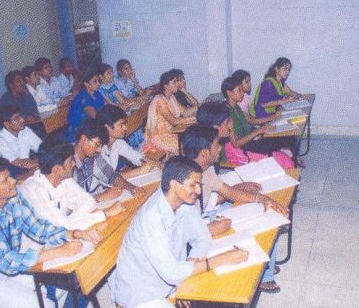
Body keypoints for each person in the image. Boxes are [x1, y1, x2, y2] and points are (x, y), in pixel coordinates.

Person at [111, 156, 248, 307]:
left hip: (170, 282)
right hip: (142, 295)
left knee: (227, 296)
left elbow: (202, 237)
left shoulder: (184, 203)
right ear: (174, 185)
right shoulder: (151, 218)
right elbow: (170, 272)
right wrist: (221, 259)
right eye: (193, 185)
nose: (198, 190)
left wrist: (186, 276)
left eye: (199, 185)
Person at [0, 156, 100, 308]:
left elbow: (38, 228)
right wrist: (58, 252)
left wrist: (74, 233)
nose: (13, 181)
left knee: (58, 287)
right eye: (5, 180)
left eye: (10, 176)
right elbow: (8, 262)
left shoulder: (12, 196)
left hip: (4, 266)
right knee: (42, 304)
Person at [182, 124, 288, 293]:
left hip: (202, 224)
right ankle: (260, 273)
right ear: (205, 153)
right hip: (191, 243)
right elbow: (180, 235)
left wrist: (262, 199)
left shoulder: (205, 170)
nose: (220, 148)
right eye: (217, 145)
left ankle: (265, 268)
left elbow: (230, 192)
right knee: (249, 236)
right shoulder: (184, 183)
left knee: (264, 216)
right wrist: (210, 229)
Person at [20, 135, 125, 233]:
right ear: (57, 169)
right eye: (70, 161)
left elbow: (90, 202)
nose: (74, 164)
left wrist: (70, 219)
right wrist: (106, 214)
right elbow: (63, 229)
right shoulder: (36, 190)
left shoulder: (62, 178)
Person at [221, 77, 295, 168]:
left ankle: (289, 162)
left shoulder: (235, 106)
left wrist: (273, 117)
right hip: (236, 151)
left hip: (246, 143)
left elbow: (252, 120)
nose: (243, 93)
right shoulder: (225, 113)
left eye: (242, 90)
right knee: (283, 159)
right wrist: (259, 131)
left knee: (285, 144)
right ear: (229, 93)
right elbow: (236, 143)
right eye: (239, 91)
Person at [72, 118, 145, 201]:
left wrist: (132, 188)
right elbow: (70, 207)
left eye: (101, 146)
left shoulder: (92, 156)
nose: (99, 150)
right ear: (83, 139)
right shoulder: (66, 163)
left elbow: (111, 176)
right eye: (97, 145)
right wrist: (100, 197)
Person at [97, 104, 159, 178]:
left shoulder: (117, 142)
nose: (125, 128)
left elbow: (135, 156)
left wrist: (152, 162)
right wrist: (139, 171)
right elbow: (107, 179)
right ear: (108, 127)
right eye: (121, 125)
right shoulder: (97, 149)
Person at [145, 70, 197, 156]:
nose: (177, 84)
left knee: (192, 141)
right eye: (174, 82)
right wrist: (195, 118)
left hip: (172, 131)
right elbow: (174, 121)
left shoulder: (171, 97)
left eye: (177, 81)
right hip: (160, 135)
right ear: (166, 86)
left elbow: (185, 112)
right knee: (185, 147)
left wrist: (200, 109)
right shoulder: (160, 100)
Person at [0, 70, 46, 138]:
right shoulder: (6, 99)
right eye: (18, 81)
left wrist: (33, 116)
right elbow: (9, 120)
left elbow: (35, 110)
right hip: (18, 130)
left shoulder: (25, 93)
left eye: (23, 80)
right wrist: (25, 118)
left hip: (33, 124)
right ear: (11, 85)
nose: (23, 83)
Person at [0, 104, 41, 171]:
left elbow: (41, 147)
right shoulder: (0, 140)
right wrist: (37, 162)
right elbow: (15, 163)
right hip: (14, 173)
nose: (22, 120)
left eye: (20, 116)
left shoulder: (25, 130)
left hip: (29, 167)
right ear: (7, 124)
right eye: (17, 118)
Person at [66, 68, 106, 142]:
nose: (99, 83)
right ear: (86, 84)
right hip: (77, 133)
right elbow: (94, 115)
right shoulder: (82, 97)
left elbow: (106, 107)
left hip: (90, 127)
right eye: (95, 81)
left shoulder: (96, 93)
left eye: (99, 81)